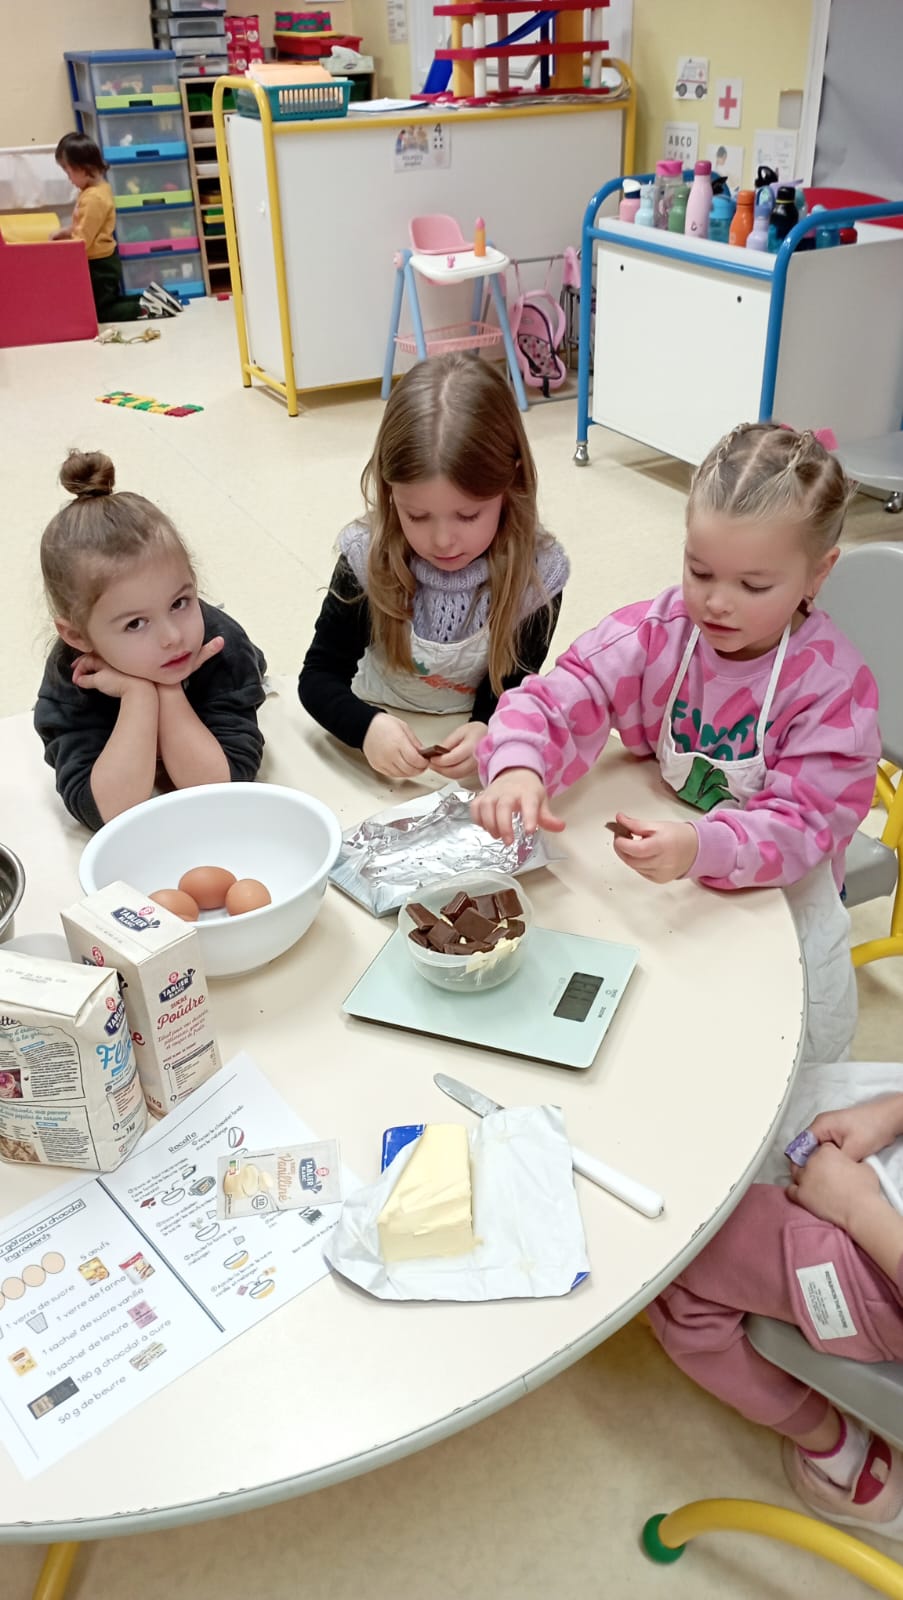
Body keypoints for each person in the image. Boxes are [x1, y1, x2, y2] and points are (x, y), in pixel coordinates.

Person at [472, 422, 881, 1063]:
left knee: (778, 1062)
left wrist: (701, 845)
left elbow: (802, 825)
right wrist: (519, 766)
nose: (716, 603)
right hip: (677, 895)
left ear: (817, 574)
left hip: (782, 905)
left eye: (753, 586)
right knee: (678, 1047)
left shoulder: (832, 691)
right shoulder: (658, 634)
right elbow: (562, 694)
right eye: (699, 570)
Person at [648, 1059, 903, 1541]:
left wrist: (858, 1209)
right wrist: (891, 1113)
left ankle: (834, 1449)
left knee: (677, 1247)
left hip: (880, 1252)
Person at [298, 354, 569, 780]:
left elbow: (513, 688)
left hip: (462, 744)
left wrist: (488, 727)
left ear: (512, 483)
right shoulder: (366, 558)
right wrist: (365, 728)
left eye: (468, 515)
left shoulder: (537, 576)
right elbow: (318, 677)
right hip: (376, 719)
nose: (442, 541)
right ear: (389, 491)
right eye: (417, 516)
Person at [34, 450, 267, 831]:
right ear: (78, 635)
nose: (173, 637)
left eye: (179, 602)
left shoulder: (220, 645)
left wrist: (168, 691)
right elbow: (105, 812)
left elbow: (222, 787)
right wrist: (138, 696)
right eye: (135, 624)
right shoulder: (72, 676)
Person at [52, 133, 182, 323]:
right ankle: (156, 298)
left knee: (102, 311)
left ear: (82, 169)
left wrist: (62, 253)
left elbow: (83, 240)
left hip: (98, 264)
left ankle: (146, 307)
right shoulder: (99, 189)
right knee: (110, 301)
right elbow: (88, 225)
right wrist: (67, 231)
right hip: (104, 259)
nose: (69, 179)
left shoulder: (93, 198)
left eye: (69, 172)